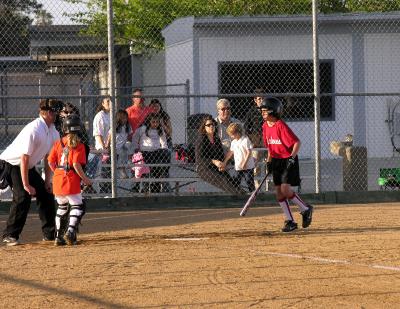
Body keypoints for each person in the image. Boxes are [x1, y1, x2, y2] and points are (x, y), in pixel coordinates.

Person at [0, 99, 62, 246]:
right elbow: (24, 158)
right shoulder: (35, 129)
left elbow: (49, 157)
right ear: (47, 113)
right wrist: (27, 184)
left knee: (46, 194)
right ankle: (10, 235)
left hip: (26, 166)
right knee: (23, 196)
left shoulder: (52, 130)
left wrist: (47, 181)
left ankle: (50, 234)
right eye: (55, 112)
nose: (58, 115)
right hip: (11, 164)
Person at [260, 97, 314, 232]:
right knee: (278, 192)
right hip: (276, 160)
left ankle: (305, 209)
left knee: (285, 189)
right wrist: (269, 161)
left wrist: (291, 157)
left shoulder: (280, 125)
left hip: (288, 160)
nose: (262, 113)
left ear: (274, 111)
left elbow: (297, 142)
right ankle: (290, 221)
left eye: (265, 111)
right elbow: (270, 147)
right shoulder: (265, 126)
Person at [48, 114, 92, 245]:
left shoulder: (58, 143)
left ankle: (58, 237)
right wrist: (86, 179)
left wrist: (57, 172)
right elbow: (76, 165)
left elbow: (50, 162)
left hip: (58, 179)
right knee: (78, 206)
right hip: (71, 179)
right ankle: (70, 232)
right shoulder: (80, 145)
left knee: (61, 207)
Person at [195, 115, 244, 195]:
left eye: (213, 124)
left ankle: (241, 193)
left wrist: (223, 164)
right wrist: (214, 161)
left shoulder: (216, 139)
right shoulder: (201, 140)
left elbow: (220, 155)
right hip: (204, 168)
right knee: (223, 180)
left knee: (229, 179)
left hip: (216, 166)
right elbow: (199, 159)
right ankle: (238, 196)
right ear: (204, 127)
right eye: (208, 125)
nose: (211, 126)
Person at [133, 114, 170, 193]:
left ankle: (156, 184)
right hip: (145, 152)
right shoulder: (143, 129)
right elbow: (135, 137)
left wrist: (164, 150)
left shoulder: (160, 129)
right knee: (149, 169)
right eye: (153, 122)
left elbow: (164, 142)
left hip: (156, 152)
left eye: (157, 122)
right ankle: (145, 186)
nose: (155, 124)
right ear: (149, 121)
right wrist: (136, 148)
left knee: (165, 154)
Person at [221, 123, 255, 192]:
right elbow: (230, 152)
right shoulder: (234, 142)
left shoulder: (245, 140)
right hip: (238, 166)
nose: (231, 136)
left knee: (249, 180)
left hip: (247, 166)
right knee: (236, 181)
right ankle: (237, 193)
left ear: (237, 132)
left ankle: (252, 194)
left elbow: (249, 152)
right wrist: (225, 162)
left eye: (232, 134)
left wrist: (244, 163)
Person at [244, 88, 267, 189]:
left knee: (268, 164)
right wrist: (252, 139)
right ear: (255, 100)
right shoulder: (252, 112)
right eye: (259, 99)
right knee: (256, 165)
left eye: (263, 98)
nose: (261, 100)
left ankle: (269, 187)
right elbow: (246, 127)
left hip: (267, 141)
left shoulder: (268, 110)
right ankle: (258, 187)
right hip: (257, 141)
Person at [106, 109, 133, 179]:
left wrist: (128, 142)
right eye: (123, 118)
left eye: (126, 118)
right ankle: (120, 171)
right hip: (115, 147)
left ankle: (126, 164)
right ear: (118, 118)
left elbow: (130, 137)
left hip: (123, 146)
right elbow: (109, 136)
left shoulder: (127, 126)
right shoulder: (115, 126)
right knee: (119, 155)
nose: (125, 120)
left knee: (129, 146)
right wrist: (107, 145)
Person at [92, 97, 111, 193]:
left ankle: (110, 189)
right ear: (103, 104)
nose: (110, 103)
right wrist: (104, 148)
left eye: (111, 101)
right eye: (107, 101)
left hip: (112, 146)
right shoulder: (100, 116)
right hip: (102, 147)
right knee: (104, 170)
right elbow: (98, 134)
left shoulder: (112, 115)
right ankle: (104, 190)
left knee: (110, 170)